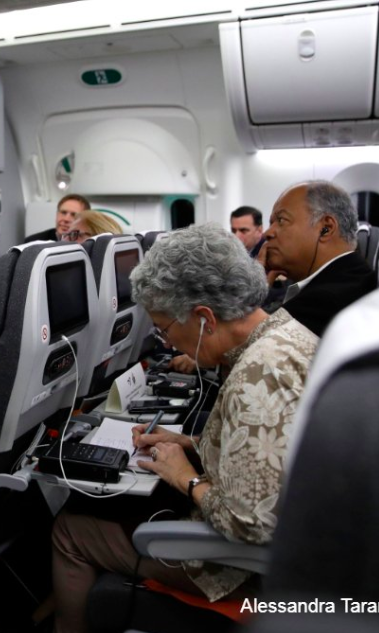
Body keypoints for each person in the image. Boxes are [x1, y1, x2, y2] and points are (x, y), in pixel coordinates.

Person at [51, 224, 318, 633]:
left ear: (204, 318)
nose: (169, 343)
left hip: (248, 572)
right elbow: (269, 451)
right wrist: (189, 443)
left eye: (167, 329)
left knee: (71, 528)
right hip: (301, 547)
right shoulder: (285, 334)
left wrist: (185, 477)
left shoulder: (259, 373)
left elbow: (251, 524)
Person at [259, 180, 377, 336]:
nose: (268, 233)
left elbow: (255, 348)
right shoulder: (350, 276)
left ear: (326, 229)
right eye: (271, 223)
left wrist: (255, 287)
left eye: (281, 221)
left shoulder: (324, 302)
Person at [25, 194, 91, 242]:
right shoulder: (33, 242)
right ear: (57, 214)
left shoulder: (87, 243)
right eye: (63, 212)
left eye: (73, 215)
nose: (66, 219)